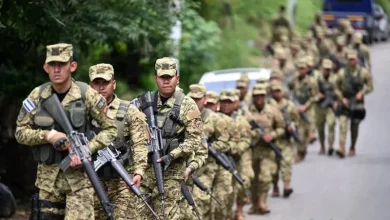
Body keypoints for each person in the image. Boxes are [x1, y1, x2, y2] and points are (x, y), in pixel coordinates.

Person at [15, 43, 117, 220]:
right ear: (45, 67)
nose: (56, 69)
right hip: (49, 183)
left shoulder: (87, 94)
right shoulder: (37, 96)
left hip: (80, 182)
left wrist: (87, 149)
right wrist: (47, 135)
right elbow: (20, 133)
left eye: (61, 64)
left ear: (72, 66)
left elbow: (110, 129)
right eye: (52, 64)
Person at [135, 57, 204, 219]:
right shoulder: (144, 102)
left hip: (172, 171)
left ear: (177, 78)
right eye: (162, 77)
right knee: (137, 213)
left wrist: (173, 154)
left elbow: (195, 140)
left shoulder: (188, 105)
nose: (166, 81)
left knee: (165, 213)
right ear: (156, 79)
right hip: (145, 170)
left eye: (169, 77)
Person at [88, 63, 149, 219]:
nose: (101, 87)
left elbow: (140, 143)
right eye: (96, 83)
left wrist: (139, 172)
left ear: (113, 84)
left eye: (105, 83)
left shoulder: (129, 110)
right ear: (90, 85)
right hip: (91, 181)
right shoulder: (81, 111)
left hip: (122, 181)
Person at [186, 84, 229, 220]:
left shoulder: (216, 119)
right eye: (192, 98)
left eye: (198, 99)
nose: (194, 102)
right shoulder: (183, 116)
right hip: (186, 168)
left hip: (206, 168)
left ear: (205, 99)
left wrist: (208, 147)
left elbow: (224, 142)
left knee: (199, 201)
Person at [248, 83, 285, 214]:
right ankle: (254, 204)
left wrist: (272, 135)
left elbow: (281, 127)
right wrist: (252, 134)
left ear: (265, 97)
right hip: (252, 150)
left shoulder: (273, 110)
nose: (259, 98)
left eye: (261, 96)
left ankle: (262, 202)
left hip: (267, 150)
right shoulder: (247, 111)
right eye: (256, 96)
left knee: (265, 177)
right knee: (253, 179)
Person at [334, 50, 373, 157]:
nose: (351, 61)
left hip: (357, 104)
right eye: (349, 59)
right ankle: (342, 147)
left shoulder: (363, 72)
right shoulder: (342, 73)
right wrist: (341, 98)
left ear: (357, 59)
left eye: (353, 59)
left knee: (354, 127)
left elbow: (370, 87)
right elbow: (336, 87)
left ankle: (352, 146)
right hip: (345, 102)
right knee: (342, 125)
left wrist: (362, 93)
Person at [213, 89, 240, 220]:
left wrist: (227, 147)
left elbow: (238, 141)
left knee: (225, 194)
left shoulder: (233, 121)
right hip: (207, 163)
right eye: (223, 102)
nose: (226, 105)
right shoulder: (212, 117)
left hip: (226, 160)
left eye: (229, 102)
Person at [268, 80, 298, 198]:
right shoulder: (269, 106)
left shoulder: (289, 105)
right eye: (274, 91)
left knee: (286, 163)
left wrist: (293, 125)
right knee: (274, 167)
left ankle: (286, 187)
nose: (276, 94)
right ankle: (275, 186)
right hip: (273, 140)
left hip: (286, 140)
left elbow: (296, 119)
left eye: (278, 91)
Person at [288, 58, 319, 162]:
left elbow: (315, 96)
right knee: (300, 133)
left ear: (306, 69)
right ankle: (300, 152)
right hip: (297, 109)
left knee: (308, 129)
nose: (301, 70)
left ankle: (304, 148)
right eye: (299, 68)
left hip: (308, 109)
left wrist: (306, 105)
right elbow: (288, 91)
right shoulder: (293, 80)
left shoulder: (312, 81)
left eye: (303, 68)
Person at [315, 59, 338, 155]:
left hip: (330, 106)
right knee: (320, 127)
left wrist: (337, 102)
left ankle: (331, 145)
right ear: (322, 69)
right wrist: (317, 95)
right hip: (320, 106)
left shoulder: (335, 79)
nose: (327, 71)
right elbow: (312, 91)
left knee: (331, 124)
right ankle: (322, 146)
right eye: (325, 69)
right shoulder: (316, 79)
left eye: (329, 69)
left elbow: (340, 91)